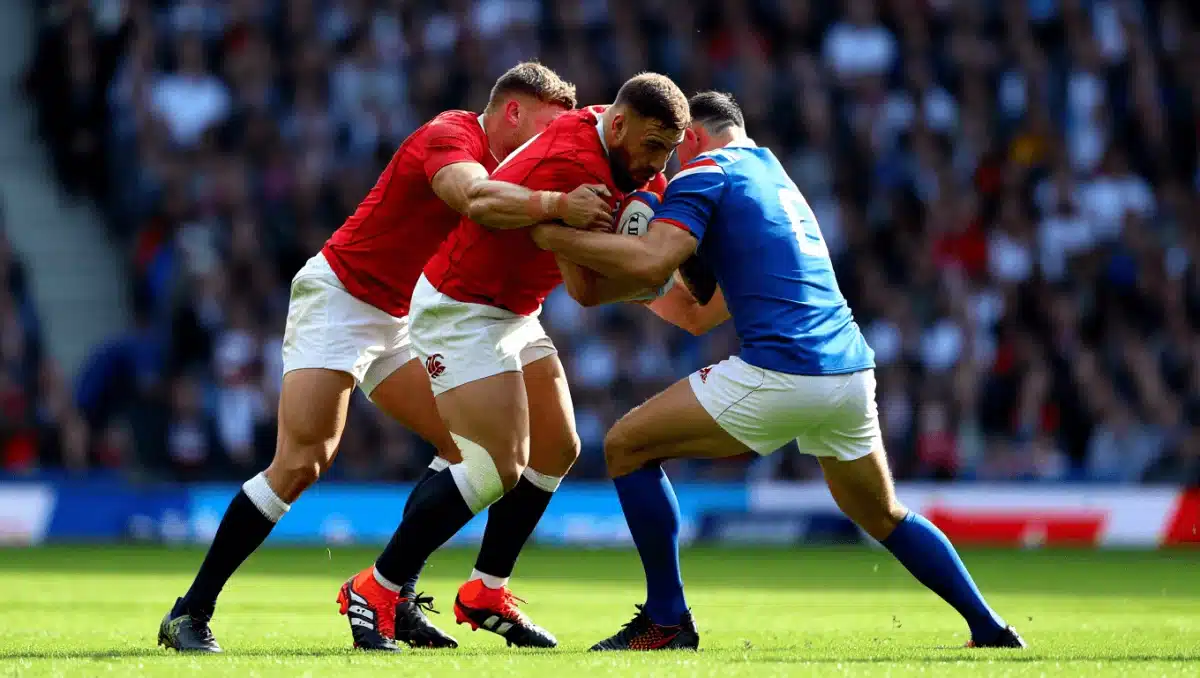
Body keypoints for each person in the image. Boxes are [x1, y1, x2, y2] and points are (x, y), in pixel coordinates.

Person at [529, 91, 1027, 652]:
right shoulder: (776, 179)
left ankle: (666, 620)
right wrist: (636, 282)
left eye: (673, 148)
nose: (667, 162)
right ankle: (990, 628)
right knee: (883, 513)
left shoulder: (704, 174)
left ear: (694, 136)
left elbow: (650, 261)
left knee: (626, 447)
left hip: (783, 370)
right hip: (849, 372)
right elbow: (699, 313)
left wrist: (553, 232)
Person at [159, 62, 613, 653]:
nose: (554, 142)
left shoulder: (524, 168)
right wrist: (558, 203)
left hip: (410, 315)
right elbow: (472, 197)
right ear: (512, 112)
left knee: (467, 450)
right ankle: (189, 612)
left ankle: (392, 599)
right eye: (547, 127)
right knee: (301, 461)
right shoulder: (451, 135)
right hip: (343, 299)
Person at [336, 73, 690, 651]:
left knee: (557, 447)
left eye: (668, 150)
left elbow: (587, 280)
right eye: (653, 146)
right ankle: (375, 588)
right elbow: (570, 276)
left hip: (515, 309)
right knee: (496, 467)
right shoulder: (574, 163)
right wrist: (633, 264)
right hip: (461, 305)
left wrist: (622, 253)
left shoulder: (622, 149)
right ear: (620, 125)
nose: (658, 163)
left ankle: (485, 591)